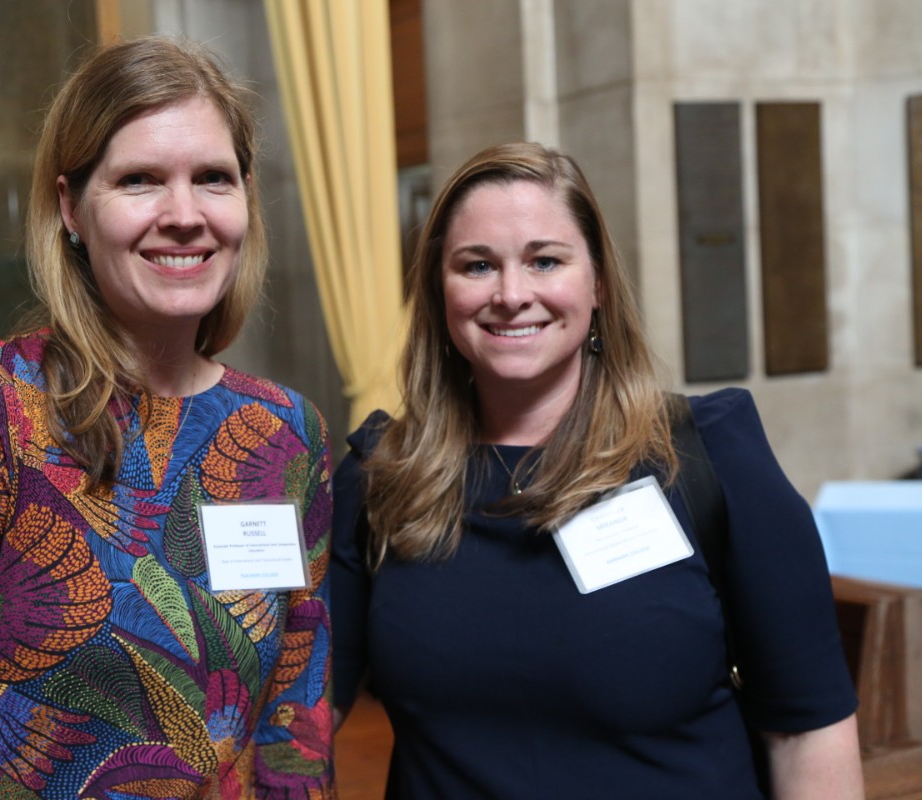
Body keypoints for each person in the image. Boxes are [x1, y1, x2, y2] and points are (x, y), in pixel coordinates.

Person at [0, 36, 335, 799]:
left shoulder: (285, 432)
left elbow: (292, 730)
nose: (184, 215)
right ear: (71, 207)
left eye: (213, 178)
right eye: (140, 180)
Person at [331, 142, 863, 798]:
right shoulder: (382, 477)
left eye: (545, 260)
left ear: (599, 283)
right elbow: (298, 714)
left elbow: (806, 730)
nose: (511, 294)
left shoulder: (709, 458)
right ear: (439, 292)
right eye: (476, 265)